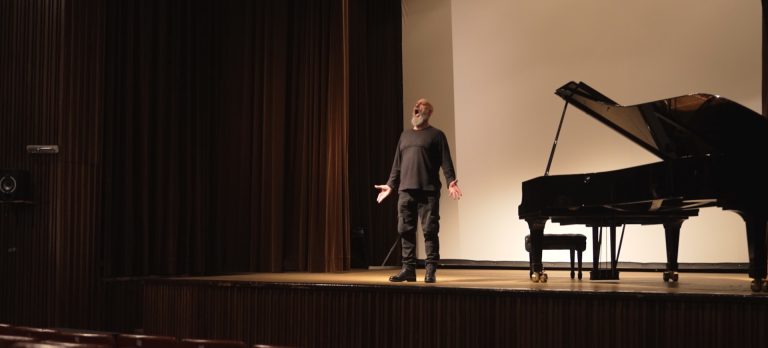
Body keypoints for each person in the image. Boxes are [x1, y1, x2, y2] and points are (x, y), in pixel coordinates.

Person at [374, 98, 462, 283]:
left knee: (430, 231)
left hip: (428, 192)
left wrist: (450, 182)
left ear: (428, 113)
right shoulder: (404, 136)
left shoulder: (437, 135)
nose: (416, 108)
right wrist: (390, 185)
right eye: (415, 107)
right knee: (405, 230)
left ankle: (430, 271)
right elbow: (397, 164)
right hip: (405, 192)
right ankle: (408, 270)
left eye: (421, 107)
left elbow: (446, 161)